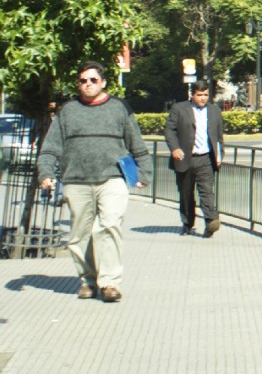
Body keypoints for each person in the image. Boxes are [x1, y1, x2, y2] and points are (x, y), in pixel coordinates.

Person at [38, 61, 150, 303]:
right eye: (83, 81)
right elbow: (51, 147)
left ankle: (110, 283)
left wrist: (143, 174)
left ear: (103, 82)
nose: (87, 84)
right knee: (80, 235)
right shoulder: (67, 111)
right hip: (77, 181)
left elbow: (136, 144)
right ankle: (88, 280)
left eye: (93, 80)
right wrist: (46, 173)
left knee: (108, 226)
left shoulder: (119, 108)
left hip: (112, 178)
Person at [165, 82, 224, 236]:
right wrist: (175, 148)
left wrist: (219, 155)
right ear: (192, 95)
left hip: (206, 159)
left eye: (205, 95)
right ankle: (187, 223)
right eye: (199, 95)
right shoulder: (179, 109)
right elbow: (169, 131)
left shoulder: (214, 111)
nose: (203, 98)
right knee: (186, 194)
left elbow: (218, 136)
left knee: (206, 192)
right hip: (185, 158)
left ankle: (211, 221)